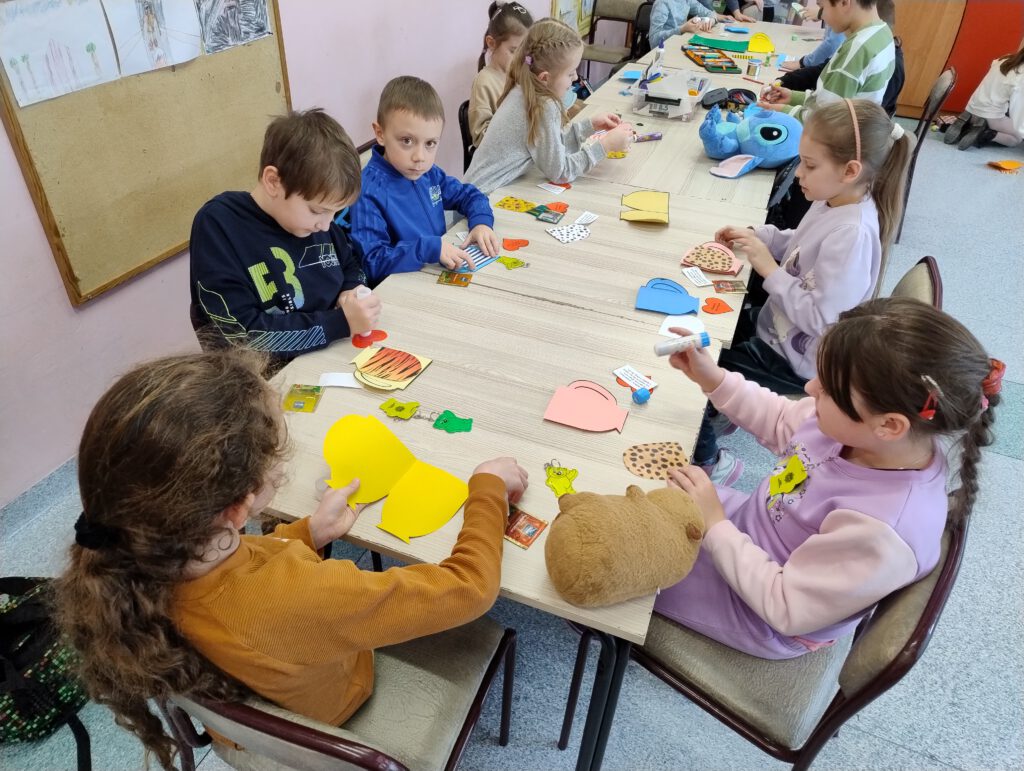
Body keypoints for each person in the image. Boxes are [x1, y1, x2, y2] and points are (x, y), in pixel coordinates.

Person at [54, 349, 529, 770]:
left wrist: (304, 533)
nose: (284, 464)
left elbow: (244, 575)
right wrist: (487, 486)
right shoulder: (307, 596)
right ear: (238, 508)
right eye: (278, 455)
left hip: (249, 706)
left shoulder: (135, 556)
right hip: (334, 706)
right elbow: (471, 589)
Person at [655, 298, 1003, 659]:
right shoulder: (857, 430)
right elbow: (780, 419)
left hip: (759, 610)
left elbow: (785, 606)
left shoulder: (883, 532)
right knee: (640, 487)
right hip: (744, 532)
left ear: (889, 424)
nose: (810, 389)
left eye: (827, 389)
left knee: (625, 564)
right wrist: (712, 378)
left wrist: (715, 526)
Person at [694, 99, 914, 484]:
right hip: (777, 331)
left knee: (704, 371)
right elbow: (799, 243)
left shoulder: (853, 233)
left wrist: (766, 266)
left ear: (850, 171)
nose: (799, 174)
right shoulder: (833, 200)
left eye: (810, 165)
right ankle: (731, 410)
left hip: (799, 362)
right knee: (712, 325)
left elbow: (821, 320)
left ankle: (713, 462)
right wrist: (759, 236)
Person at [189, 109, 381, 363]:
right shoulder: (220, 225)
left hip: (334, 355)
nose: (327, 225)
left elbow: (350, 264)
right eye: (318, 211)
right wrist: (340, 322)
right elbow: (243, 338)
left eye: (336, 213)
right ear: (273, 182)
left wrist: (351, 289)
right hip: (267, 379)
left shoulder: (317, 223)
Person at [350, 76, 498, 286]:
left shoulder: (428, 174)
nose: (420, 156)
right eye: (407, 141)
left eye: (430, 143)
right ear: (380, 133)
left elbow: (469, 195)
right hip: (400, 291)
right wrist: (429, 248)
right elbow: (373, 262)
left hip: (433, 275)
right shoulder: (368, 190)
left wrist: (482, 222)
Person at [465, 17, 632, 195]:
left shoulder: (524, 88)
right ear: (544, 78)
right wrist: (605, 146)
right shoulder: (543, 104)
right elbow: (560, 172)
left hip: (475, 192)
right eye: (570, 73)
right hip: (481, 199)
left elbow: (550, 147)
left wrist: (589, 126)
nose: (575, 78)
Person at [759, 0, 895, 122]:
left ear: (844, 2)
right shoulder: (882, 32)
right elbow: (835, 101)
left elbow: (825, 121)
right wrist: (794, 97)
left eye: (822, 7)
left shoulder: (856, 49)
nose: (822, 15)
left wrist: (782, 111)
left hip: (834, 141)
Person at [470, 2, 534, 147]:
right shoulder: (484, 82)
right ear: (491, 43)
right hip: (503, 163)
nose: (522, 59)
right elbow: (481, 139)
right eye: (514, 51)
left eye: (526, 52)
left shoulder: (522, 74)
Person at [944, 42, 1024, 150]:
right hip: (990, 116)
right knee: (1016, 138)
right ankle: (984, 133)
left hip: (971, 108)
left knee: (1004, 109)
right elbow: (1018, 112)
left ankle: (968, 125)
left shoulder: (1004, 59)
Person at [649, 0, 719, 50]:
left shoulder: (687, 1)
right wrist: (682, 29)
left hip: (680, 45)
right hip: (664, 49)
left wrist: (711, 20)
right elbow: (653, 41)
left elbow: (709, 13)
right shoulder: (662, 3)